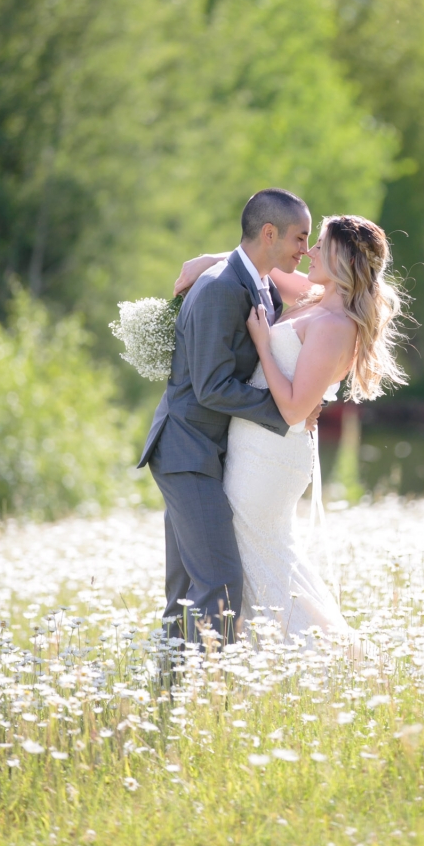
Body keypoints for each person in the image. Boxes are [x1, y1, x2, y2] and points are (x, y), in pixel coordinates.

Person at [174, 213, 407, 642]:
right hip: (252, 445)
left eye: (319, 245)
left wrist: (264, 345)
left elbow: (296, 409)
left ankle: (307, 654)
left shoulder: (336, 326)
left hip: (272, 457)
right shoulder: (316, 297)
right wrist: (207, 259)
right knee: (259, 557)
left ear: (341, 258)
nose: (308, 252)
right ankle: (273, 656)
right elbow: (256, 263)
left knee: (259, 557)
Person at [138, 188, 321, 648]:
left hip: (212, 452)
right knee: (219, 586)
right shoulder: (220, 287)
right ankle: (209, 686)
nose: (305, 249)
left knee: (186, 592)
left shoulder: (262, 284)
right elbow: (212, 387)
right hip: (187, 451)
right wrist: (286, 413)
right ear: (269, 233)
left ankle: (171, 686)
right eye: (300, 238)